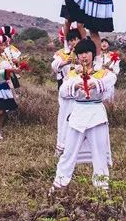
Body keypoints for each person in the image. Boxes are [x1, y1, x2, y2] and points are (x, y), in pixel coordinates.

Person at [52, 38, 117, 191]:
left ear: (93, 54)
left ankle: (102, 188)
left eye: (86, 53)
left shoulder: (102, 73)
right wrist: (75, 84)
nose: (83, 56)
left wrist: (96, 83)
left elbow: (112, 79)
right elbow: (62, 91)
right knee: (68, 152)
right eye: (80, 53)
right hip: (78, 114)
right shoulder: (73, 74)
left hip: (96, 114)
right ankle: (59, 184)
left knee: (99, 153)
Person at [52, 28, 81, 156]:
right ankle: (62, 146)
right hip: (66, 88)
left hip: (80, 89)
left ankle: (77, 147)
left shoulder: (84, 53)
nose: (73, 42)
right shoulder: (62, 53)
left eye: (75, 39)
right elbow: (54, 66)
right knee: (64, 117)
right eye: (70, 40)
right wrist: (65, 62)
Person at [95, 37, 121, 103]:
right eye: (102, 42)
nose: (104, 44)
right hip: (98, 77)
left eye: (106, 42)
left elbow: (116, 69)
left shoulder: (113, 55)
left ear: (108, 45)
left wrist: (109, 68)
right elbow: (94, 66)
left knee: (108, 98)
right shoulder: (96, 55)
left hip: (109, 78)